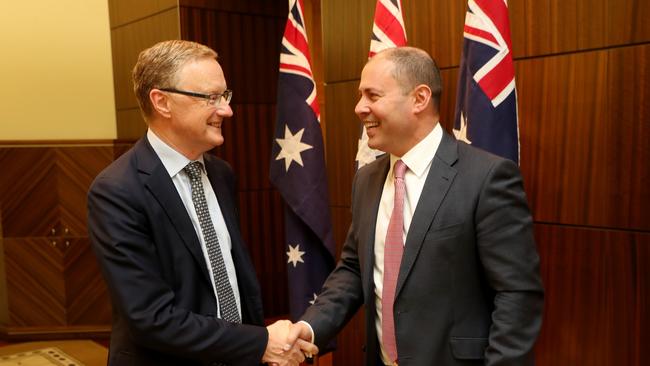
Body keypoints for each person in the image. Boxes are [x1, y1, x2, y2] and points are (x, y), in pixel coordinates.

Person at [289, 47, 544, 365]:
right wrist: (309, 328)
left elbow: (517, 294)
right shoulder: (367, 180)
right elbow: (354, 270)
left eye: (373, 95)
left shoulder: (487, 178)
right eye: (360, 96)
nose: (359, 108)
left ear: (420, 99)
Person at [88, 40, 316, 366]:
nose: (227, 110)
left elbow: (232, 278)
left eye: (225, 96)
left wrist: (257, 349)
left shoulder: (221, 175)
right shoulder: (117, 191)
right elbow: (151, 318)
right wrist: (259, 343)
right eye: (211, 98)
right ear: (162, 101)